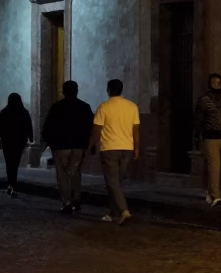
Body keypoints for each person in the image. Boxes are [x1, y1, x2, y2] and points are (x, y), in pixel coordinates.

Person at [90, 79, 139, 225]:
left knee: (112, 182)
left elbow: (96, 130)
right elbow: (136, 129)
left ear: (108, 90)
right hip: (127, 148)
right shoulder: (132, 106)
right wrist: (137, 147)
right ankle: (113, 213)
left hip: (110, 148)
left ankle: (124, 211)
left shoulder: (104, 107)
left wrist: (90, 145)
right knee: (116, 182)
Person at [43, 80, 95, 214]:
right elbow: (92, 127)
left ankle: (67, 202)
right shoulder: (85, 107)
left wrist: (48, 142)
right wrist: (90, 145)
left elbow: (48, 127)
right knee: (76, 172)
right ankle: (76, 200)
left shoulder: (57, 107)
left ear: (63, 91)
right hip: (78, 145)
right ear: (77, 91)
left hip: (61, 145)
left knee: (62, 175)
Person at [194, 73, 221, 207]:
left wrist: (197, 135)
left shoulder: (204, 99)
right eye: (215, 83)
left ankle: (213, 194)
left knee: (214, 167)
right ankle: (214, 194)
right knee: (215, 167)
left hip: (212, 136)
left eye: (216, 83)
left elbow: (199, 119)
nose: (216, 85)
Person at [0, 93, 33, 198]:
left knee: (9, 162)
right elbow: (29, 126)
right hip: (20, 141)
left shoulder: (4, 112)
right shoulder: (24, 112)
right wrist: (30, 137)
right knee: (15, 162)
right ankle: (12, 183)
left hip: (7, 141)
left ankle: (10, 183)